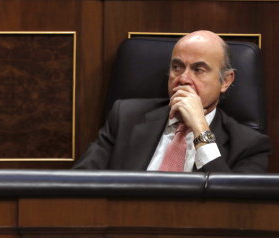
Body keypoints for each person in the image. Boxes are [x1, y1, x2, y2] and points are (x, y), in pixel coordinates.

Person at [73, 30, 271, 172]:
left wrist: (201, 130)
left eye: (198, 69)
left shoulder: (250, 145)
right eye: (177, 67)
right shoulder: (125, 116)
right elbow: (79, 182)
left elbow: (235, 208)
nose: (183, 78)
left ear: (225, 81)